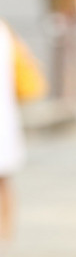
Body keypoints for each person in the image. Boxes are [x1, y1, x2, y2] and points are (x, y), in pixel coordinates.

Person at [0, 20, 26, 242]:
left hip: (5, 118)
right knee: (4, 182)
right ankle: (6, 234)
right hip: (5, 117)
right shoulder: (6, 32)